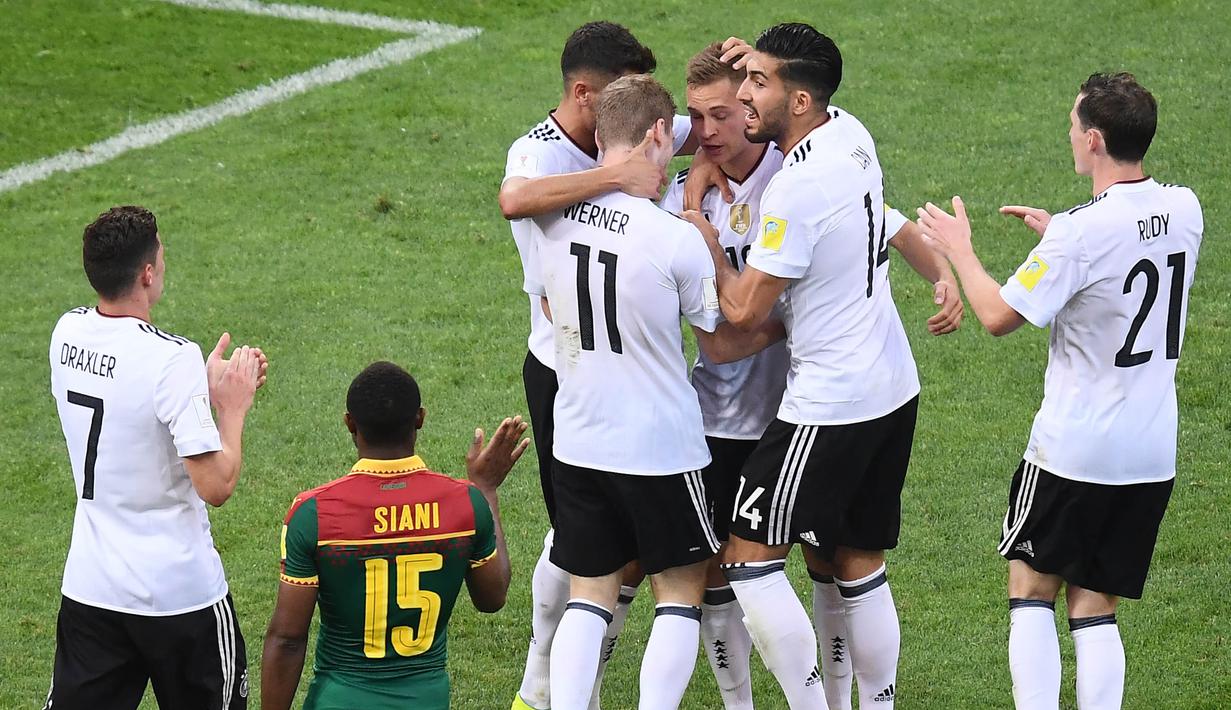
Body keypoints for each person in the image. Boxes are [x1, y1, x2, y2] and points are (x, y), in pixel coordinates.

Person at [662, 40, 960, 710]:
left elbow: (739, 312)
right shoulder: (849, 131)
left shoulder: (796, 189)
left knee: (748, 558)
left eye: (756, 86)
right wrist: (942, 276)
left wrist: (705, 242)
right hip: (892, 387)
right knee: (856, 562)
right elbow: (889, 224)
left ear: (796, 100)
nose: (743, 99)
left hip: (831, 402)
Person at [916, 72, 1202, 710]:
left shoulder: (1080, 233)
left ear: (1095, 140)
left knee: (1031, 587)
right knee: (1096, 605)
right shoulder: (1185, 207)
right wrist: (1059, 247)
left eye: (1075, 127)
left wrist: (961, 251)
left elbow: (996, 315)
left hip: (1074, 450)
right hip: (1151, 452)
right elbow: (1127, 263)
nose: (1069, 136)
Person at [524, 73, 786, 710]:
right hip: (663, 446)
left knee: (591, 592)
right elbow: (719, 343)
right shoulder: (675, 237)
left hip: (580, 437)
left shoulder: (552, 224)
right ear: (657, 135)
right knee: (681, 589)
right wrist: (793, 322)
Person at [499, 21, 698, 710]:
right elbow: (513, 201)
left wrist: (739, 75)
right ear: (581, 92)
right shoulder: (537, 151)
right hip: (565, 369)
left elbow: (698, 127)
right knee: (581, 547)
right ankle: (538, 683)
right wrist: (615, 175)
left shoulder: (623, 129)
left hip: (622, 363)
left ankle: (567, 684)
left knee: (610, 558)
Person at [44, 205, 268, 710]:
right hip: (178, 596)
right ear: (147, 272)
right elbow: (217, 485)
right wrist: (230, 407)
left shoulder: (66, 333)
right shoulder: (171, 357)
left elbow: (129, 397)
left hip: (92, 588)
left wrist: (192, 392)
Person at [261, 361, 530, 709]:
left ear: (349, 423)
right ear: (420, 418)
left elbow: (286, 639)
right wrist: (487, 491)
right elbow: (492, 598)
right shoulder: (465, 503)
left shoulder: (314, 513)